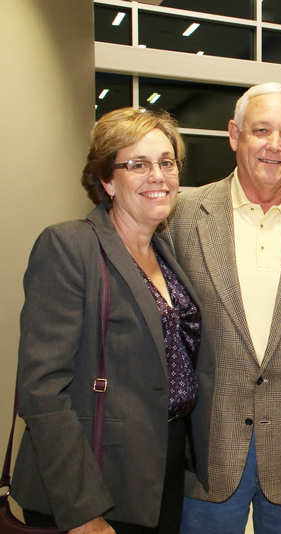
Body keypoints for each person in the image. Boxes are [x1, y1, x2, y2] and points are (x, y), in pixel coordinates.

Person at [165, 82, 281, 534]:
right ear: (234, 135)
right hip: (205, 448)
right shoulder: (180, 219)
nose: (273, 145)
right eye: (260, 130)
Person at [13, 107, 204, 533]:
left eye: (166, 162)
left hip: (161, 468)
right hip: (95, 478)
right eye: (138, 164)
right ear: (106, 180)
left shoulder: (165, 251)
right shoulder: (68, 246)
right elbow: (42, 390)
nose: (158, 175)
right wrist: (83, 511)